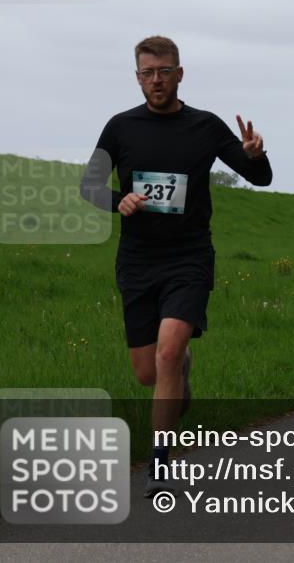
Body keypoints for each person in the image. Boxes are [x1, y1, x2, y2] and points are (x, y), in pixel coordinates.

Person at [80, 36, 273, 496]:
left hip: (189, 257)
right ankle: (181, 365)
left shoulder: (204, 126)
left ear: (179, 74)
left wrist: (254, 154)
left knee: (165, 353)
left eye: (164, 71)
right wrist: (118, 199)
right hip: (137, 260)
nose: (156, 80)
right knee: (148, 372)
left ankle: (159, 462)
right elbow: (88, 186)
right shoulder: (120, 127)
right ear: (137, 77)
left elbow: (261, 178)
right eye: (147, 73)